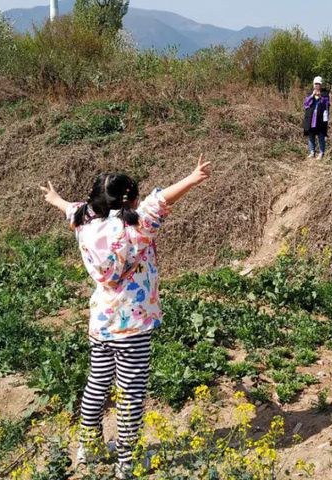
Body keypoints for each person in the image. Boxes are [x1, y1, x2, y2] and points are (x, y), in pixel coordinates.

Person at [40, 155, 212, 479]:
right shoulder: (136, 226)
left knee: (96, 386)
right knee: (130, 394)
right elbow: (160, 201)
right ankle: (127, 463)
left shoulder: (84, 223)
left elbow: (73, 208)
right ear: (130, 200)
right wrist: (192, 178)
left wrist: (55, 199)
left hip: (101, 323)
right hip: (132, 327)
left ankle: (88, 450)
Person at [303, 76, 330, 160]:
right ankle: (312, 152)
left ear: (321, 85)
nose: (317, 85)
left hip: (320, 118)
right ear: (313, 84)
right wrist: (312, 95)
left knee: (321, 135)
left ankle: (321, 152)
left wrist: (321, 96)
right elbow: (306, 104)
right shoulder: (310, 93)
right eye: (315, 84)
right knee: (311, 135)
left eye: (318, 84)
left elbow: (327, 105)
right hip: (311, 118)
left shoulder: (325, 94)